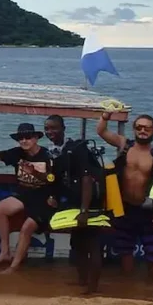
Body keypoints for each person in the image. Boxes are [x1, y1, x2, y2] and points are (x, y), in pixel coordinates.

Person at [0, 122, 56, 273]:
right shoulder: (17, 153)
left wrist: (33, 172)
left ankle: (14, 266)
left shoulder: (47, 156)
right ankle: (4, 251)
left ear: (35, 138)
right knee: (0, 208)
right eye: (20, 138)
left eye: (27, 137)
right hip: (23, 195)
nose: (24, 141)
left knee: (26, 228)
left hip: (43, 199)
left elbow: (53, 179)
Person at [97, 111, 153, 279]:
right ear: (134, 129)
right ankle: (127, 288)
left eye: (147, 128)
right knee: (125, 251)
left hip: (149, 209)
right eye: (139, 127)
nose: (142, 130)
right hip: (124, 207)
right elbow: (102, 132)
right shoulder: (125, 145)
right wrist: (105, 116)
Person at [47, 114, 106, 294]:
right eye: (47, 129)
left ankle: (93, 288)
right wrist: (53, 196)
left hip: (90, 203)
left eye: (54, 128)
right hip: (74, 202)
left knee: (92, 244)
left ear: (64, 129)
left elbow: (87, 179)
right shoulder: (57, 151)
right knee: (78, 243)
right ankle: (82, 282)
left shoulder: (77, 149)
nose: (50, 132)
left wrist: (84, 210)